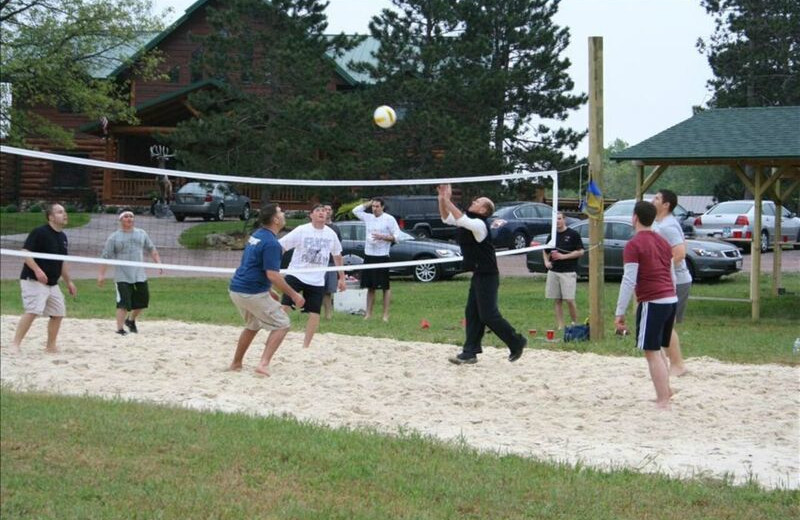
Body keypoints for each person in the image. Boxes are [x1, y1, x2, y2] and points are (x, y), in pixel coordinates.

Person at [437, 184, 526, 364]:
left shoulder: (479, 224)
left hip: (488, 274)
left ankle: (516, 341)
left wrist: (448, 200)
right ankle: (469, 352)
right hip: (479, 273)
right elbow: (446, 218)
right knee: (472, 313)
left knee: (488, 315)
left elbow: (461, 220)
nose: (473, 201)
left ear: (483, 209)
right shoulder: (469, 219)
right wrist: (441, 198)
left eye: (477, 201)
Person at [614, 201, 678, 410]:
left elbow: (629, 280)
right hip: (669, 298)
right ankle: (666, 391)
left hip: (653, 300)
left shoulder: (634, 244)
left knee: (651, 352)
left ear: (634, 218)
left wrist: (619, 312)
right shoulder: (663, 241)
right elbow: (672, 274)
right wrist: (672, 296)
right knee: (658, 350)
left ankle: (663, 399)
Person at [228, 203, 305, 376]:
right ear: (276, 220)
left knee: (252, 325)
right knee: (282, 324)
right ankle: (263, 364)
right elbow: (273, 274)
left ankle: (236, 363)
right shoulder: (272, 243)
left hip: (237, 289)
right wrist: (293, 295)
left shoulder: (257, 235)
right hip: (250, 292)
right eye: (280, 212)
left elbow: (252, 265)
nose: (284, 214)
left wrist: (268, 290)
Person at [9, 203, 77, 353]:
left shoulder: (63, 236)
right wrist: (37, 270)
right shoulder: (40, 232)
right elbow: (25, 252)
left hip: (52, 283)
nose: (64, 214)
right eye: (60, 212)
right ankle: (15, 344)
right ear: (51, 217)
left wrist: (69, 282)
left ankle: (50, 346)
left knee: (58, 313)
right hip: (33, 280)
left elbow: (62, 262)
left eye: (64, 212)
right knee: (33, 310)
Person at [279, 204, 346, 348]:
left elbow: (337, 255)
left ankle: (306, 346)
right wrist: (273, 265)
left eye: (323, 211)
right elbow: (281, 246)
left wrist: (342, 277)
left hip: (316, 279)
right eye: (318, 210)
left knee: (315, 313)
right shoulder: (302, 230)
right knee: (285, 307)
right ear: (311, 215)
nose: (322, 213)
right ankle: (275, 334)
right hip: (296, 274)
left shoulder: (330, 233)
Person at [97, 209, 163, 335]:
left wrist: (159, 263)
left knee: (143, 300)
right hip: (122, 275)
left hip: (139, 274)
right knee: (123, 303)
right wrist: (101, 275)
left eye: (131, 216)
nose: (129, 218)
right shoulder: (114, 237)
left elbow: (152, 249)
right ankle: (120, 329)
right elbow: (105, 257)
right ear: (120, 220)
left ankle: (131, 320)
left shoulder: (141, 233)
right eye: (126, 216)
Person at [652, 189, 691, 377]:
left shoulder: (668, 225)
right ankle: (671, 362)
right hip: (667, 279)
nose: (653, 200)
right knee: (662, 324)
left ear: (666, 205)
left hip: (677, 280)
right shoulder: (659, 224)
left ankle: (678, 364)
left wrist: (659, 267)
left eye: (657, 198)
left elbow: (681, 253)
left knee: (666, 324)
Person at [352, 198, 400, 321]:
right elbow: (355, 211)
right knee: (370, 287)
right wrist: (368, 203)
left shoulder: (389, 219)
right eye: (373, 206)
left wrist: (383, 237)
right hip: (369, 255)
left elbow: (397, 237)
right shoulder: (368, 217)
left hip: (382, 255)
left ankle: (385, 315)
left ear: (382, 207)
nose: (375, 208)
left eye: (377, 206)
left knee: (385, 287)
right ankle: (368, 314)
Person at [542, 212, 584, 330]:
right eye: (555, 219)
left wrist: (563, 256)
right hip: (554, 271)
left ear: (564, 220)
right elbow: (545, 251)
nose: (557, 221)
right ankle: (561, 325)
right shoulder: (552, 236)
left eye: (559, 219)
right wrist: (546, 262)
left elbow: (580, 251)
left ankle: (575, 323)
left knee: (569, 299)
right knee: (557, 299)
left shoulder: (573, 234)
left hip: (568, 271)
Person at [321, 203, 342, 320]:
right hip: (318, 263)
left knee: (329, 290)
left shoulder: (335, 229)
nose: (327, 211)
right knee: (316, 289)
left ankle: (328, 314)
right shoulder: (317, 226)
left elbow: (338, 249)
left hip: (331, 263)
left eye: (329, 209)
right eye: (325, 209)